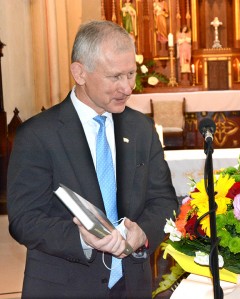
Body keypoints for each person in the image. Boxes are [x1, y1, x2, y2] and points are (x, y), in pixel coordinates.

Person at [7, 20, 178, 299]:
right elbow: (24, 219)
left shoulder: (141, 129)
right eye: (115, 77)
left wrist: (142, 233)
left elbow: (163, 201)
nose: (127, 87)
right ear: (80, 72)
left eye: (131, 74)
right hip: (64, 288)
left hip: (133, 286)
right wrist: (81, 239)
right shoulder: (38, 135)